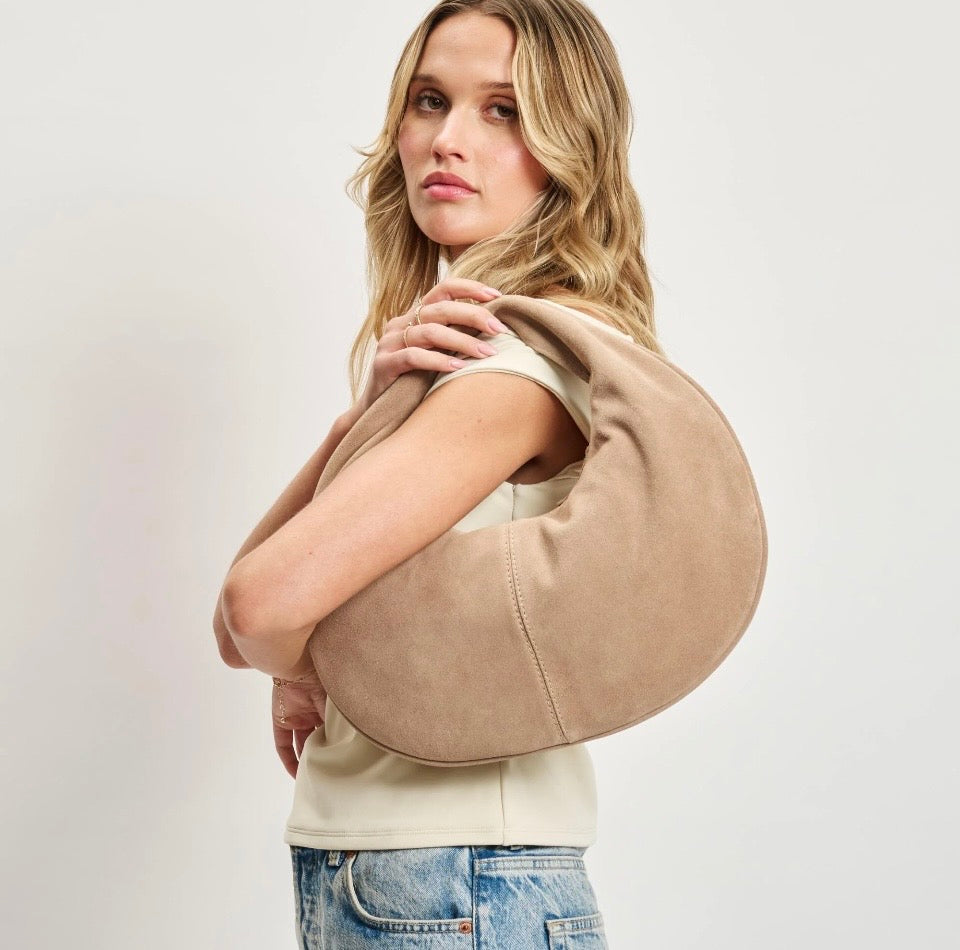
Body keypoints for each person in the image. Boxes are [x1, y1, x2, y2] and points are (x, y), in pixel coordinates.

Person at [213, 1, 663, 945]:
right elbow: (239, 627)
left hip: (456, 878)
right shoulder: (460, 363)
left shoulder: (512, 366)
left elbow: (257, 609)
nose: (447, 140)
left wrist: (305, 655)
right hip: (416, 875)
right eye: (430, 101)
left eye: (504, 110)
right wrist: (369, 414)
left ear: (569, 146)